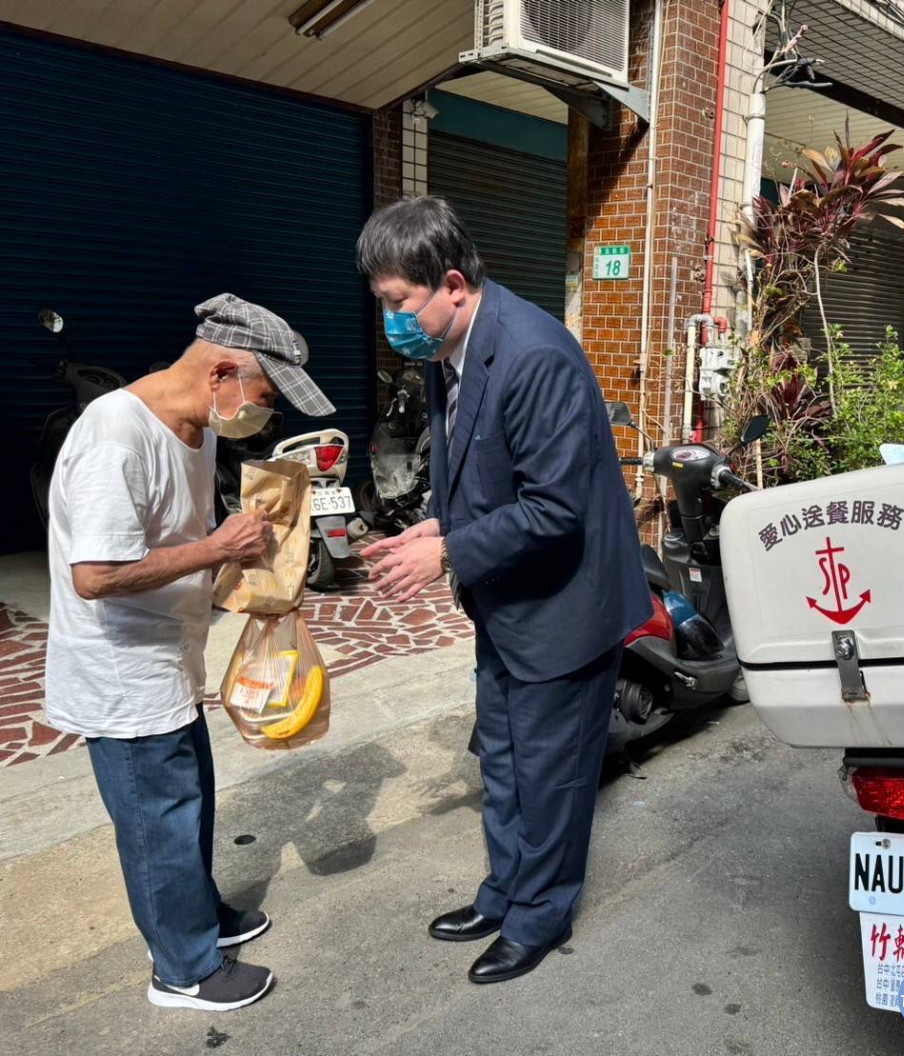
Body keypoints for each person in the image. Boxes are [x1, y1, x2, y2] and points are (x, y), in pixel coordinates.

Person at [358, 198, 651, 984]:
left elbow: (553, 509)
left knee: (551, 776)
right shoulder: (448, 347)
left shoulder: (534, 355)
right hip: (505, 600)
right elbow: (477, 469)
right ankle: (505, 890)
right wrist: (434, 526)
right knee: (505, 760)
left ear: (451, 283)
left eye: (397, 303)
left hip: (563, 605)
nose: (392, 321)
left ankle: (541, 917)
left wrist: (449, 552)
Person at [43, 293, 335, 1011]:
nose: (262, 412)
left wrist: (261, 576)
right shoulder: (116, 435)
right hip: (121, 672)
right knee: (157, 820)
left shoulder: (199, 433)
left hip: (170, 660)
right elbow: (95, 576)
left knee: (189, 802)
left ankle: (196, 915)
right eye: (263, 396)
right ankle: (182, 969)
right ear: (222, 372)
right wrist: (216, 547)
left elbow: (186, 544)